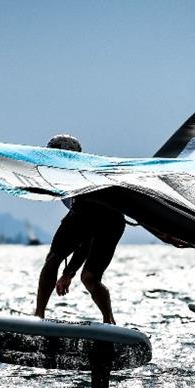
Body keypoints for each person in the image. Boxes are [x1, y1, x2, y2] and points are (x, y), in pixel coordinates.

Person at [34, 134, 126, 324]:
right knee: (88, 277)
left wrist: (68, 272)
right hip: (104, 219)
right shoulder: (58, 181)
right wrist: (68, 273)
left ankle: (109, 322)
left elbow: (88, 233)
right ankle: (40, 315)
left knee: (63, 264)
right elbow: (84, 240)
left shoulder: (82, 178)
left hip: (106, 218)